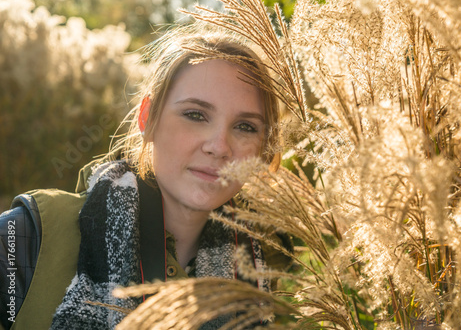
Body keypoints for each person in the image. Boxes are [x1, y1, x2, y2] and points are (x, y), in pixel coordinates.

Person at [0, 23, 292, 330]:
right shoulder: (25, 237)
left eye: (245, 127)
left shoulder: (273, 269)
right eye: (195, 115)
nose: (219, 147)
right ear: (147, 118)